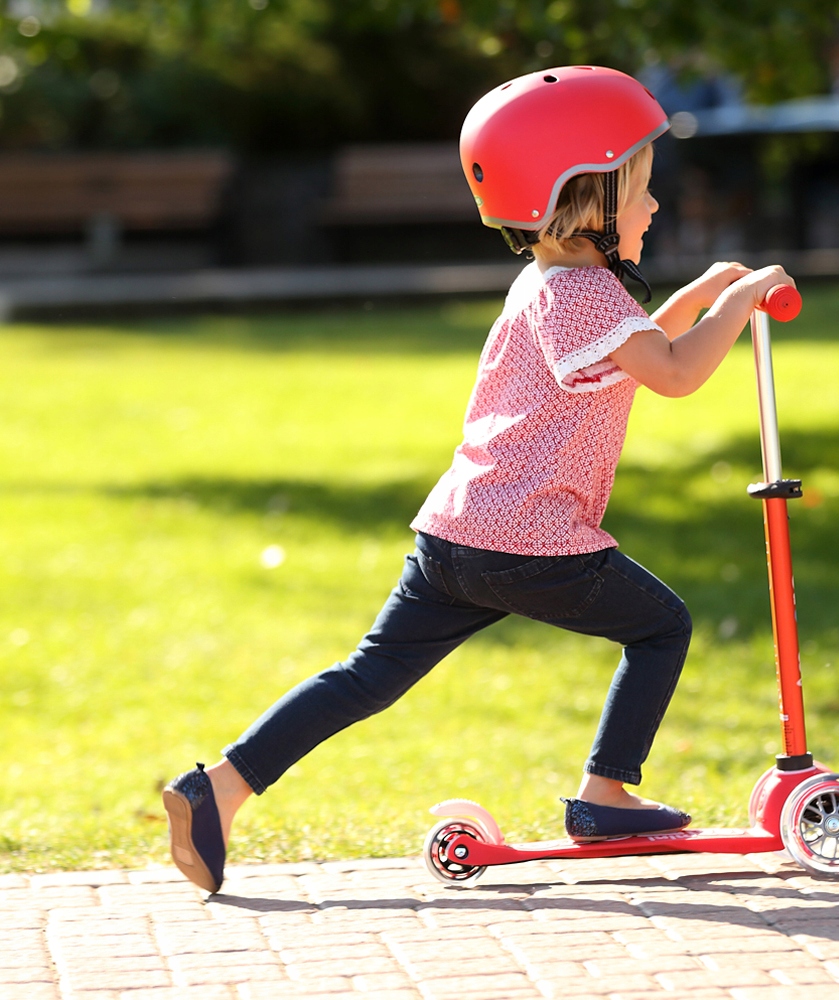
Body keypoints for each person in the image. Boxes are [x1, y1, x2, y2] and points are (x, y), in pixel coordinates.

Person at [162, 65, 794, 893]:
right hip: (530, 538)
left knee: (367, 676)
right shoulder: (588, 296)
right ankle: (606, 792)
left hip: (457, 533)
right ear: (587, 199)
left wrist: (699, 296)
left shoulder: (556, 284)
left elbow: (638, 349)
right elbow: (673, 372)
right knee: (662, 627)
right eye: (638, 191)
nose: (654, 207)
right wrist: (740, 302)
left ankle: (220, 789)